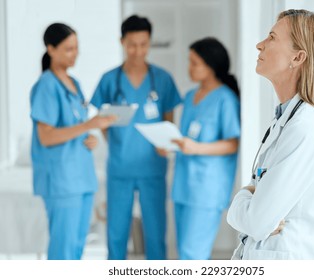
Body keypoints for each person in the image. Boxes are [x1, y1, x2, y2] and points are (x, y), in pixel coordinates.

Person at [227, 9, 314, 260]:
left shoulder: (306, 126)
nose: (260, 45)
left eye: (271, 37)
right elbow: (258, 219)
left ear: (298, 57)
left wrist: (242, 197)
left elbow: (257, 221)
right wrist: (253, 204)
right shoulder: (286, 118)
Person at [90, 15, 181, 260]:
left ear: (149, 42)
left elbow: (168, 118)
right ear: (122, 42)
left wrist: (165, 143)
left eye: (143, 44)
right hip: (120, 168)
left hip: (153, 167)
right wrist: (119, 144)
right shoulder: (110, 80)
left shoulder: (162, 79)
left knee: (155, 233)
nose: (138, 51)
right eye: (132, 44)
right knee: (117, 233)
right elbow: (102, 122)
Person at [30, 23, 117, 260]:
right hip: (62, 181)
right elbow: (46, 136)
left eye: (76, 48)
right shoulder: (46, 86)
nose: (74, 54)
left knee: (77, 248)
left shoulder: (74, 84)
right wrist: (89, 125)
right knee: (63, 251)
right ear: (51, 49)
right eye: (68, 49)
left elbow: (73, 126)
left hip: (81, 178)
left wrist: (89, 137)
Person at [170, 38, 240, 260]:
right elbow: (187, 139)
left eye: (194, 63)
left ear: (211, 65)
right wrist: (172, 146)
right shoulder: (190, 97)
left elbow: (232, 143)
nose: (189, 68)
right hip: (183, 185)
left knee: (192, 256)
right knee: (185, 253)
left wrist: (196, 148)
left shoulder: (226, 99)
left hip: (206, 189)